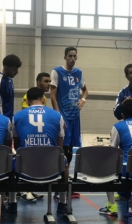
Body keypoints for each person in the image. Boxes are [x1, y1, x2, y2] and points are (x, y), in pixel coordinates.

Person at [12, 87, 69, 214]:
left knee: (11, 159)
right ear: (43, 99)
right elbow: (59, 148)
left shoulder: (16, 117)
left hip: (25, 168)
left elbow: (16, 146)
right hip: (50, 168)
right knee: (63, 160)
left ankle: (11, 203)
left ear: (27, 102)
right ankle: (62, 203)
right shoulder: (58, 116)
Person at [50, 47, 88, 199]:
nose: (72, 58)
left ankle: (65, 182)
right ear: (65, 57)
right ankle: (60, 183)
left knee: (71, 148)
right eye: (70, 56)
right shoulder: (57, 72)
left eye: (74, 56)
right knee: (62, 149)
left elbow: (85, 90)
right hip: (63, 115)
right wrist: (58, 115)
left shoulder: (79, 73)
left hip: (75, 116)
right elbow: (52, 95)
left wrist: (83, 100)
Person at [19, 72, 51, 202]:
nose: (49, 84)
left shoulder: (44, 98)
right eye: (46, 81)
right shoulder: (28, 96)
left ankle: (30, 190)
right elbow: (26, 116)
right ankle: (25, 191)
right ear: (38, 82)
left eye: (49, 81)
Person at [0, 54, 22, 121]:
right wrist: (3, 123)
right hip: (2, 121)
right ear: (6, 68)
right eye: (14, 69)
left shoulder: (10, 79)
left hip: (9, 119)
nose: (17, 72)